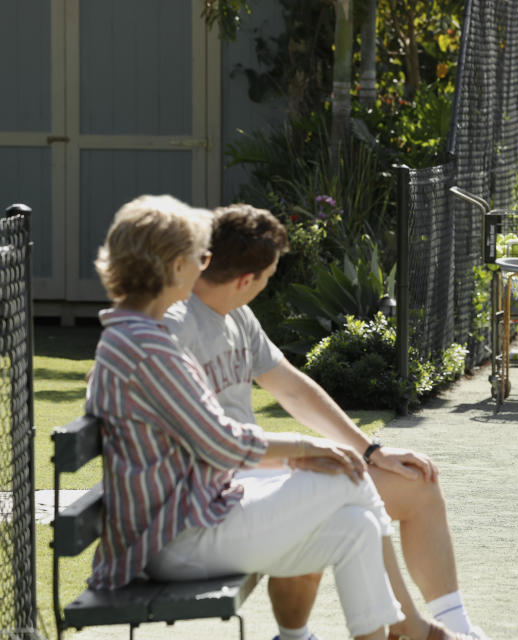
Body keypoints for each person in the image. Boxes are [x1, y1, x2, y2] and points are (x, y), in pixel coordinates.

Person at [86, 194, 407, 640]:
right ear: (176, 266)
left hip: (194, 513)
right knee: (346, 475)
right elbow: (220, 443)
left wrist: (306, 452)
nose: (206, 263)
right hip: (175, 537)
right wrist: (307, 447)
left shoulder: (137, 335)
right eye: (199, 254)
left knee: (354, 527)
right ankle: (406, 628)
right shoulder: (147, 346)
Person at [162, 204, 487, 640]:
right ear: (245, 280)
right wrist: (305, 451)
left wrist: (371, 451)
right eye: (268, 277)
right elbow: (204, 441)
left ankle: (448, 626)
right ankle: (412, 630)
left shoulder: (236, 313)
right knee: (344, 485)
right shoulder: (171, 326)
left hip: (250, 481)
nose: (265, 286)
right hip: (213, 498)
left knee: (411, 483)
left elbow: (293, 389)